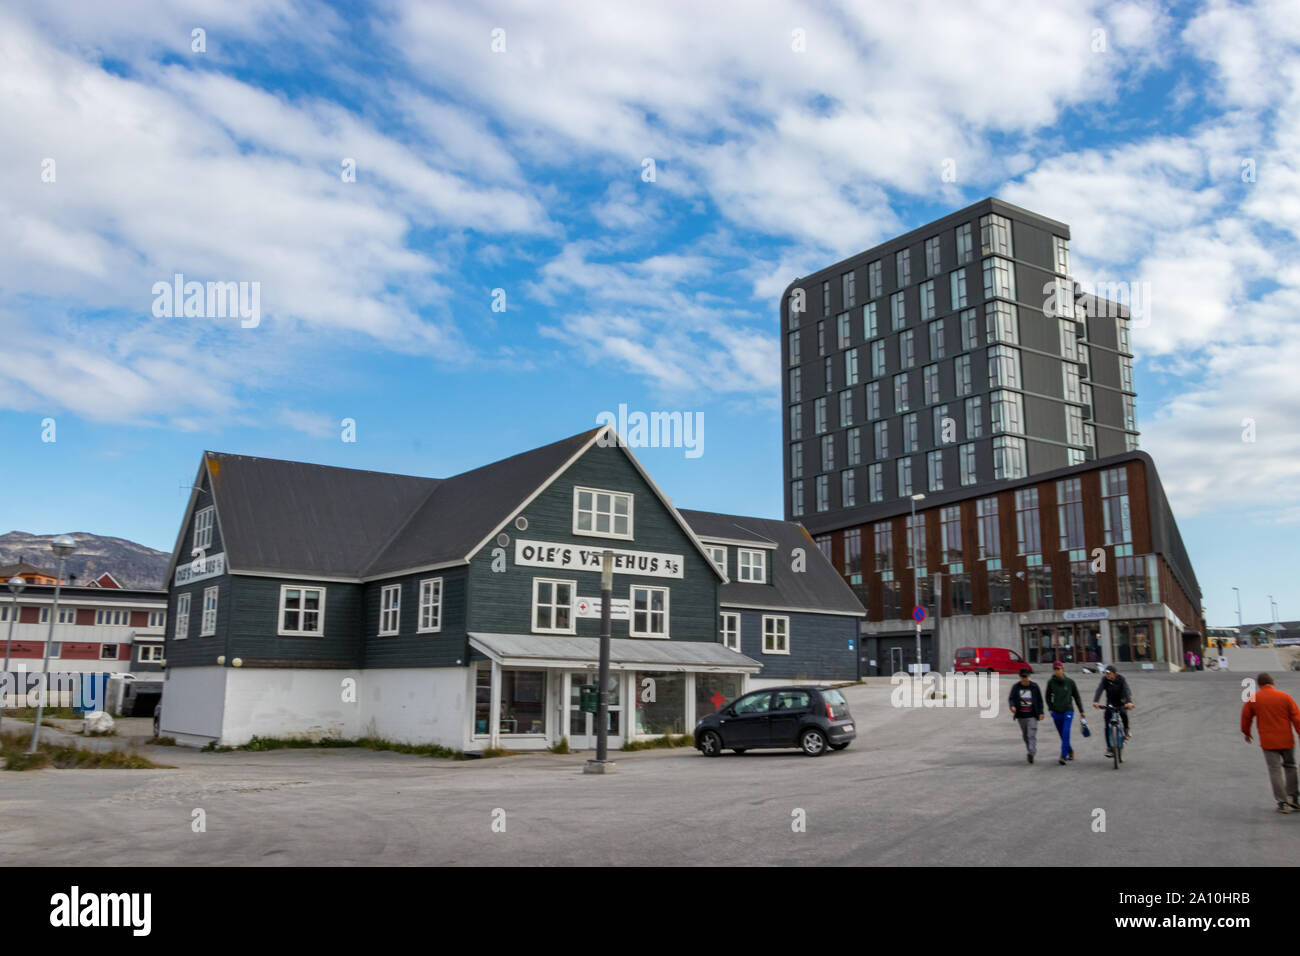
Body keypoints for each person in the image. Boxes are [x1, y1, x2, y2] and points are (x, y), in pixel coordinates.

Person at [1240, 672, 1300, 814]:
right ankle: (1293, 798)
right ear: (1273, 683)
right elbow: (1296, 717)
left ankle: (1282, 803)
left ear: (1259, 685)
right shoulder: (1285, 697)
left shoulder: (1254, 698)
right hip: (1287, 740)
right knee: (1290, 766)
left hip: (1268, 742)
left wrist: (1247, 732)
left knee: (1275, 770)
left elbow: (1246, 717)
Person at [1044, 660, 1083, 765]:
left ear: (1063, 669)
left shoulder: (1070, 682)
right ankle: (1070, 750)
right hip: (1056, 712)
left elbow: (1077, 697)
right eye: (1055, 669)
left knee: (1066, 732)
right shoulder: (1051, 682)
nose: (1057, 671)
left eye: (1059, 669)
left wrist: (1081, 710)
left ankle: (1063, 755)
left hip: (1068, 710)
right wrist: (1051, 708)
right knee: (1062, 734)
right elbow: (1047, 696)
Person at [1092, 665, 1133, 757]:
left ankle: (1126, 729)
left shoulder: (1121, 679)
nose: (1107, 675)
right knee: (1107, 724)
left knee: (1123, 713)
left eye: (1109, 673)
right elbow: (1099, 689)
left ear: (1114, 674)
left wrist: (1129, 702)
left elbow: (1126, 690)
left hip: (1121, 701)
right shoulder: (1104, 680)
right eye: (1106, 673)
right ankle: (1109, 748)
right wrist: (1096, 701)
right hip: (1110, 702)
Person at [1008, 667, 1044, 764]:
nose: (1025, 679)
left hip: (1032, 715)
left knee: (1031, 734)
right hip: (1021, 715)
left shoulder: (1034, 687)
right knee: (1025, 736)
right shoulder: (1016, 687)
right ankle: (1030, 750)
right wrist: (1012, 706)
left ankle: (1031, 753)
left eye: (1026, 676)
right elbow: (1011, 698)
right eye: (1023, 677)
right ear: (1020, 677)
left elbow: (1040, 700)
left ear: (1029, 676)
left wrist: (1041, 712)